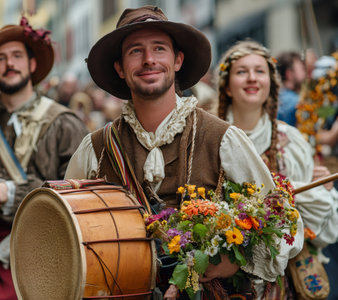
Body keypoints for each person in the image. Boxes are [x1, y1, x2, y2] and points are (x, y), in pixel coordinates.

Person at [65, 6, 303, 300]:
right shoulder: (95, 149)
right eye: (135, 51)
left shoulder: (222, 138)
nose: (149, 59)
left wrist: (232, 261)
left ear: (177, 60)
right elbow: (66, 233)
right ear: (120, 67)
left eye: (159, 49)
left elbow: (283, 222)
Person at [0, 17, 88, 300]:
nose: (10, 64)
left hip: (48, 254)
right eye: (1, 59)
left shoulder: (64, 123)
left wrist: (10, 193)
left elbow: (80, 191)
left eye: (17, 56)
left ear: (32, 65)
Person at [216, 40, 338, 297]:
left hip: (285, 285)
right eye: (241, 71)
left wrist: (321, 189)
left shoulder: (292, 141)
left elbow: (320, 231)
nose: (252, 78)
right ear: (227, 86)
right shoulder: (211, 140)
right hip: (223, 282)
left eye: (259, 71)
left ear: (270, 82)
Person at [276, 51, 307, 126]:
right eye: (302, 69)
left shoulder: (279, 96)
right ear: (289, 74)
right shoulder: (296, 102)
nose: (305, 74)